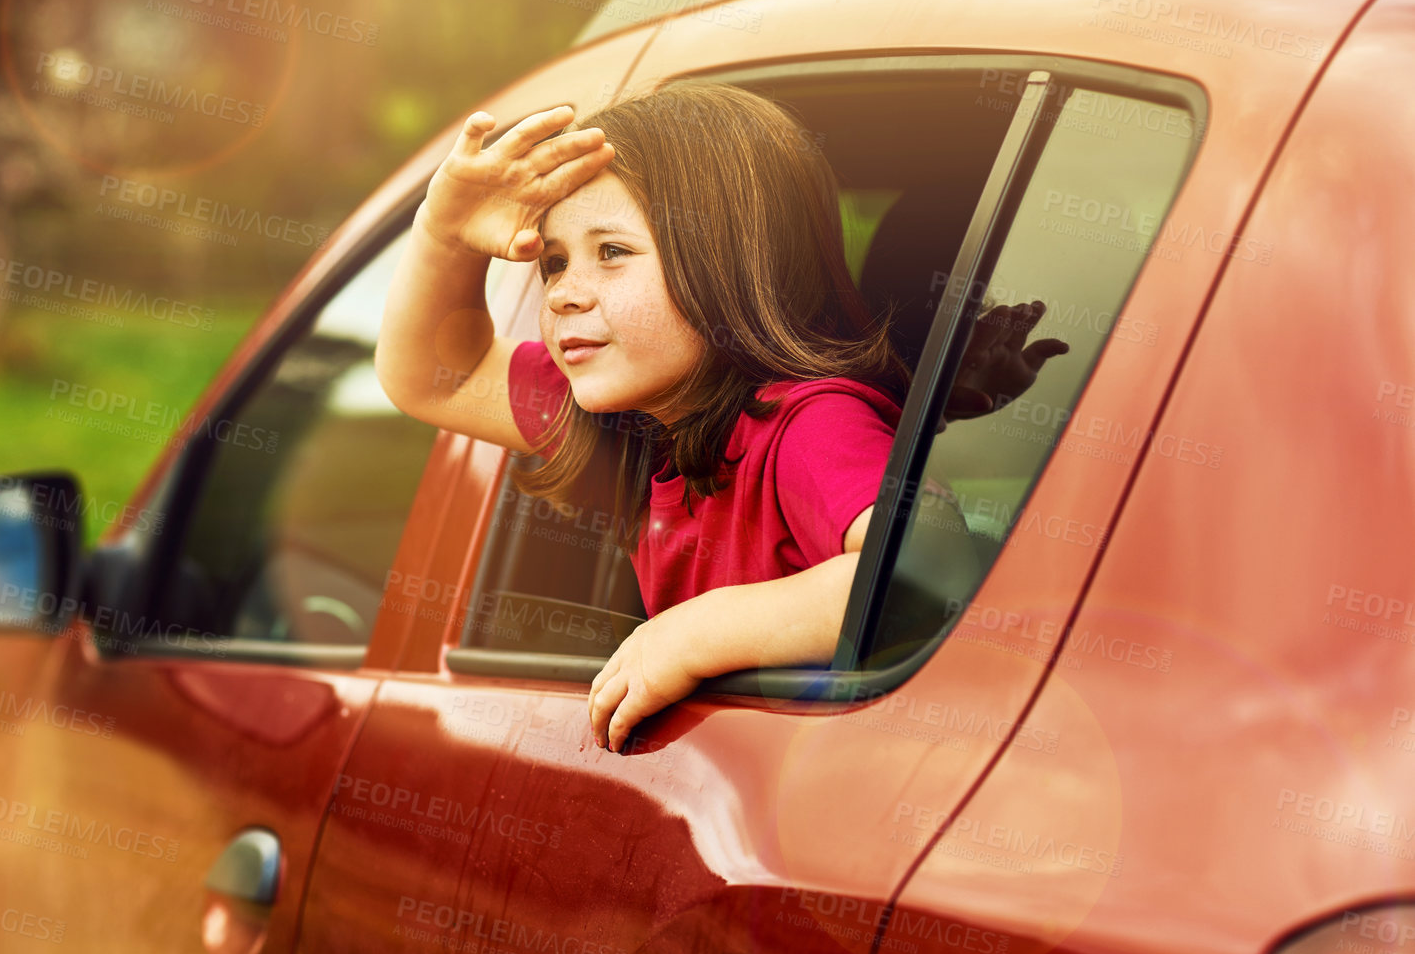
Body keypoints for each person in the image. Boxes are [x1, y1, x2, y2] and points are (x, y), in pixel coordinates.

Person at [375, 80, 1066, 752]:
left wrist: (693, 634)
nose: (560, 296)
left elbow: (924, 564)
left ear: (731, 259)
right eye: (554, 262)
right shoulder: (635, 425)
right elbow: (438, 376)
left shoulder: (804, 421)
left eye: (611, 252)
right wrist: (443, 233)